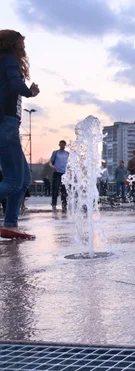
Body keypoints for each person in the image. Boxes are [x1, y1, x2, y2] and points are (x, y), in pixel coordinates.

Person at [0, 30, 40, 239]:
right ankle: (10, 224)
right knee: (14, 180)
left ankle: (10, 225)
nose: (23, 48)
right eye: (21, 43)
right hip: (5, 125)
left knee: (24, 179)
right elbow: (16, 85)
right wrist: (30, 92)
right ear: (12, 44)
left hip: (9, 125)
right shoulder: (7, 59)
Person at [49, 140, 69, 212]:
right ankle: (54, 203)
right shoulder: (55, 152)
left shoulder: (67, 154)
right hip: (57, 172)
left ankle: (64, 203)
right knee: (55, 188)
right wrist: (52, 166)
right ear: (59, 145)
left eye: (63, 145)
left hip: (65, 173)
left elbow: (70, 163)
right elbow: (51, 162)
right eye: (61, 144)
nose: (62, 146)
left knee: (64, 189)